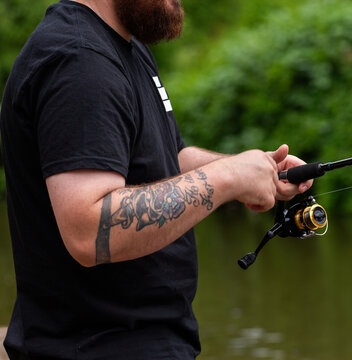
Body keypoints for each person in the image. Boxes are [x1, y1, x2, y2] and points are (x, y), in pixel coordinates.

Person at [0, 0, 313, 358]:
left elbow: (165, 159)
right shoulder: (79, 62)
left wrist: (252, 170)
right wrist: (225, 178)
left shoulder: (125, 47)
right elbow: (88, 229)